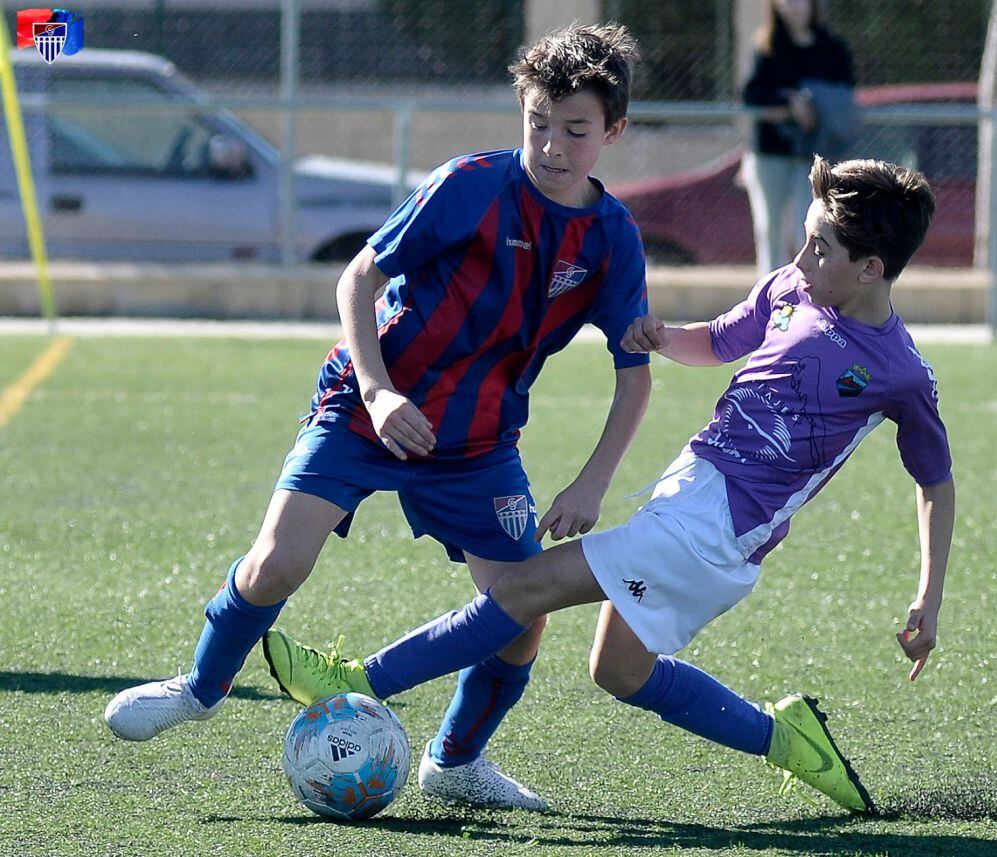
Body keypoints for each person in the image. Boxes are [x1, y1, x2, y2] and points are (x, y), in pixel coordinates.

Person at [265, 155, 954, 814]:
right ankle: (787, 738)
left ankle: (359, 682)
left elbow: (935, 481)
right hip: (687, 491)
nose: (800, 260)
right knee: (618, 670)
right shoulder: (788, 290)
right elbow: (719, 340)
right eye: (803, 239)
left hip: (716, 530)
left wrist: (928, 595)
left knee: (522, 589)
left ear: (870, 268)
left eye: (820, 249)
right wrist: (660, 335)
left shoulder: (899, 373)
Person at [103, 22, 653, 812]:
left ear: (614, 131)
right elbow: (358, 277)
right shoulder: (468, 184)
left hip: (477, 442)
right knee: (276, 564)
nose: (551, 144)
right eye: (537, 121)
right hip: (365, 409)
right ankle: (200, 686)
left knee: (523, 611)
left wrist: (595, 479)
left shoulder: (612, 240)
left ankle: (455, 761)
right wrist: (377, 390)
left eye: (575, 129)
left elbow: (633, 377)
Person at [742, 0, 856, 275]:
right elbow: (752, 95)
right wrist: (788, 101)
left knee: (810, 227)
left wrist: (813, 104)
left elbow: (845, 98)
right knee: (770, 230)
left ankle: (810, 297)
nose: (793, 6)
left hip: (814, 156)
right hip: (770, 153)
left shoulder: (832, 49)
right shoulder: (767, 47)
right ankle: (771, 301)